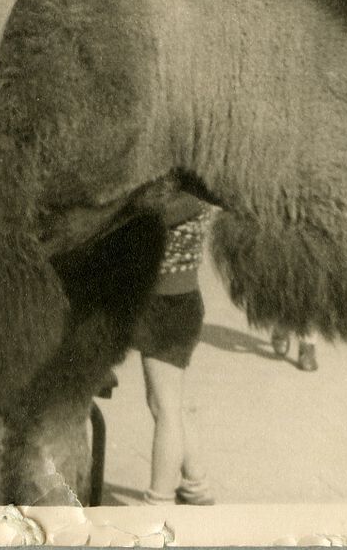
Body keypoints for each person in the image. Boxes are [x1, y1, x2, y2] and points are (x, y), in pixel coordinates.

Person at [133, 197, 217, 507]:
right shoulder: (200, 190)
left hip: (166, 305)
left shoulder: (184, 197)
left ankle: (159, 502)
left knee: (166, 408)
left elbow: (145, 215)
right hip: (179, 301)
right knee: (166, 403)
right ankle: (196, 484)